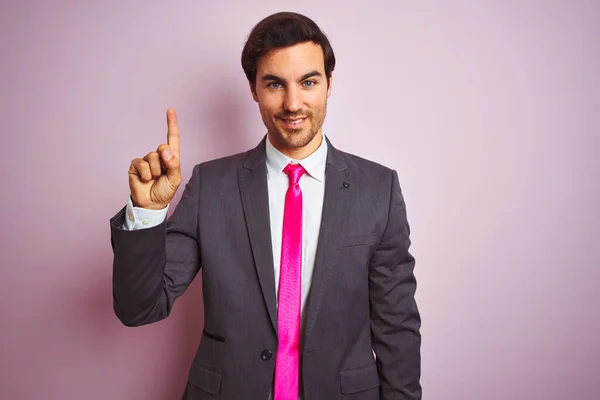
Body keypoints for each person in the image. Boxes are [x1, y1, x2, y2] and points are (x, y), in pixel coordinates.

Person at [109, 11, 421, 400]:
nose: (293, 103)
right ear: (254, 89)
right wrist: (147, 214)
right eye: (274, 84)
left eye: (308, 82)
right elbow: (140, 308)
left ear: (328, 84)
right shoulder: (212, 186)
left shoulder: (378, 189)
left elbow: (397, 326)